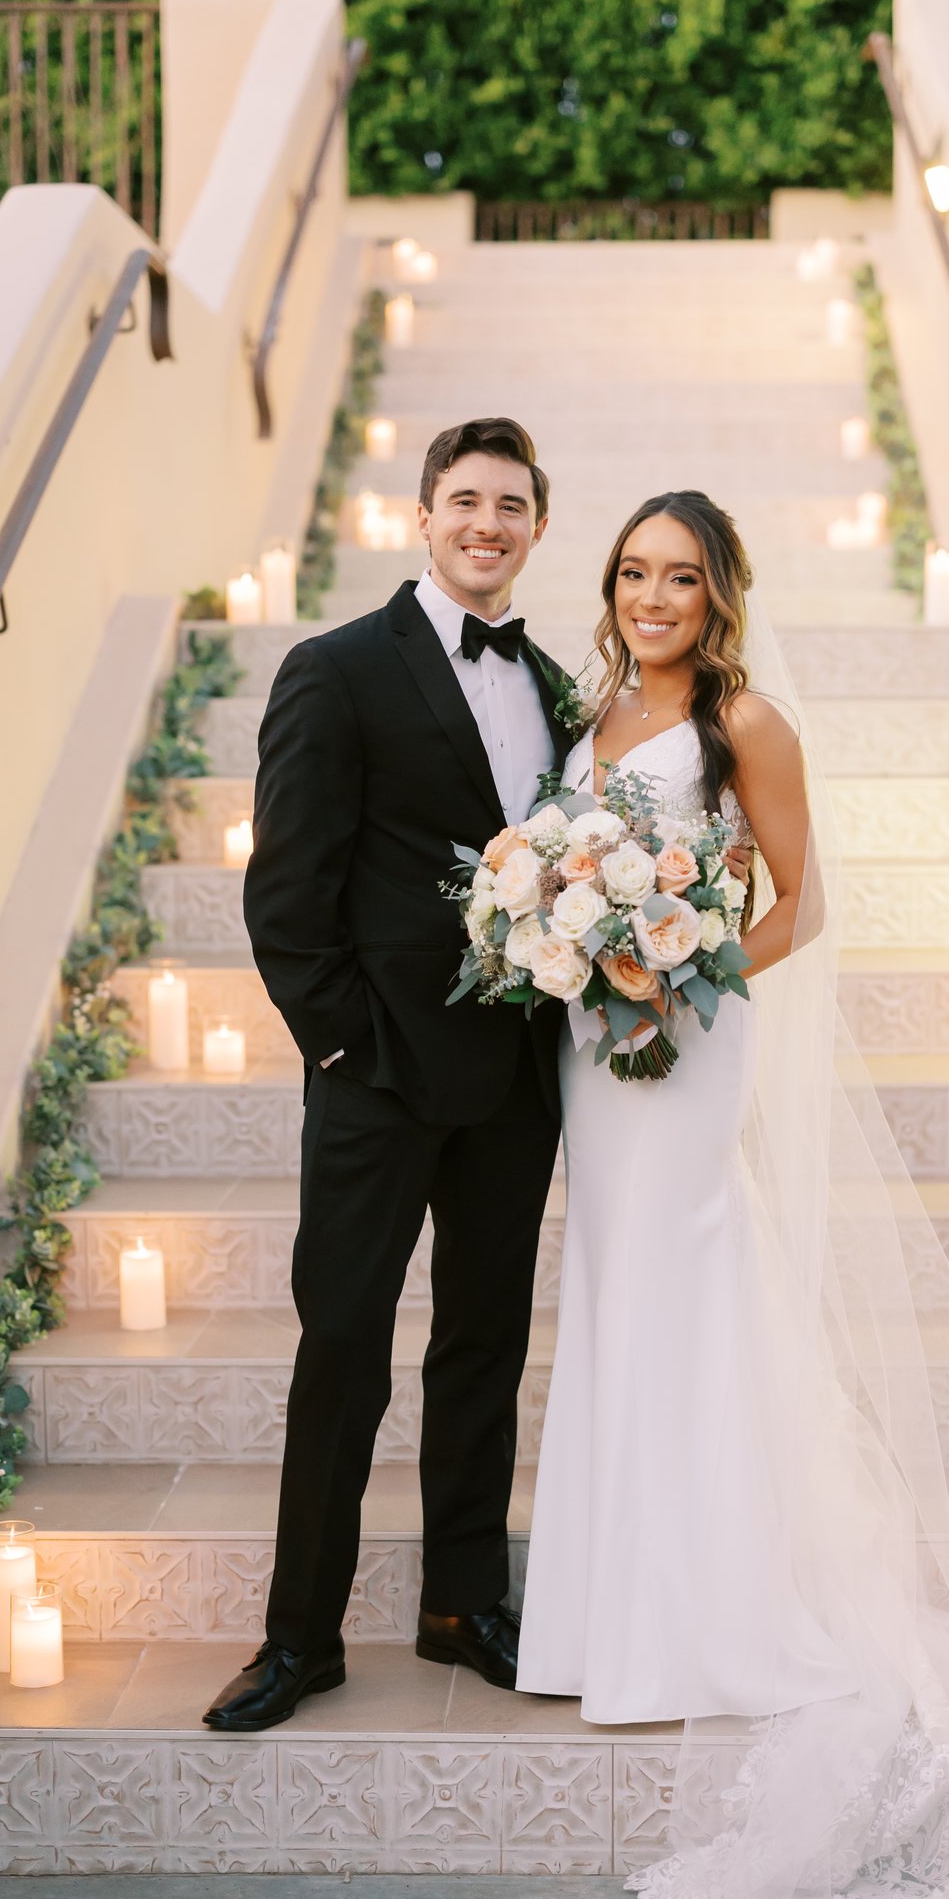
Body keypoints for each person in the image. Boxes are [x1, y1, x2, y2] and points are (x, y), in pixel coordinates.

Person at [515, 490, 949, 1899]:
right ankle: (598, 1621)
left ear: (718, 594)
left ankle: (711, 1612)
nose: (652, 598)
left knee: (691, 1286)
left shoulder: (745, 724)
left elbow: (800, 905)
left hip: (689, 1049)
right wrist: (572, 940)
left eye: (679, 578)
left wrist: (677, 964)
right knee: (613, 1293)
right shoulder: (586, 715)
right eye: (633, 574)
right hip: (595, 1053)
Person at [204, 417, 573, 1731]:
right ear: (420, 516)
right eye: (464, 500)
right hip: (375, 1077)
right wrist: (346, 1046)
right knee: (344, 1349)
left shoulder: (557, 684)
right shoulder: (335, 668)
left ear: (537, 527)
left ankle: (459, 1603)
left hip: (518, 1080)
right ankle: (300, 1636)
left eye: (511, 505)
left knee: (481, 1347)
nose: (487, 523)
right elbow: (287, 894)